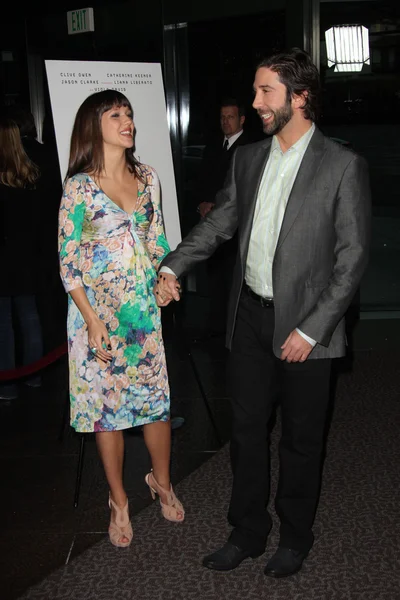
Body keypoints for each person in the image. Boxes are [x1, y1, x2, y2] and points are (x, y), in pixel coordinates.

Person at [154, 48, 371, 577]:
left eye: (265, 91)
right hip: (249, 318)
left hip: (305, 327)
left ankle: (295, 536)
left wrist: (313, 329)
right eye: (255, 92)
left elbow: (353, 258)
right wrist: (172, 266)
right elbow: (219, 223)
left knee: (301, 438)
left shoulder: (343, 165)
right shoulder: (248, 158)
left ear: (300, 97)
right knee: (247, 433)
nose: (255, 104)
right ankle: (247, 532)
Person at [58, 90, 184, 548]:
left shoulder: (148, 177)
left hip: (142, 315)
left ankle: (162, 482)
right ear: (95, 125)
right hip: (96, 319)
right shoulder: (78, 187)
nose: (128, 121)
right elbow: (68, 264)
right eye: (116, 115)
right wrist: (90, 320)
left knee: (156, 404)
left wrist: (165, 278)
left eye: (129, 114)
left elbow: (157, 241)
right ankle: (118, 500)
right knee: (106, 414)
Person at [195, 99, 259, 335]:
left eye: (230, 117)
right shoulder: (213, 146)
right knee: (214, 282)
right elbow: (201, 180)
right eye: (222, 117)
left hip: (235, 230)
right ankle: (215, 330)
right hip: (210, 225)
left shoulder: (251, 148)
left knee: (233, 282)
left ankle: (231, 331)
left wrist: (217, 206)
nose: (225, 121)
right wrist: (201, 204)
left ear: (242, 119)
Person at [0, 118, 45, 400]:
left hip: (4, 260)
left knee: (3, 323)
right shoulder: (31, 179)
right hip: (27, 258)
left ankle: (7, 385)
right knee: (29, 316)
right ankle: (35, 376)